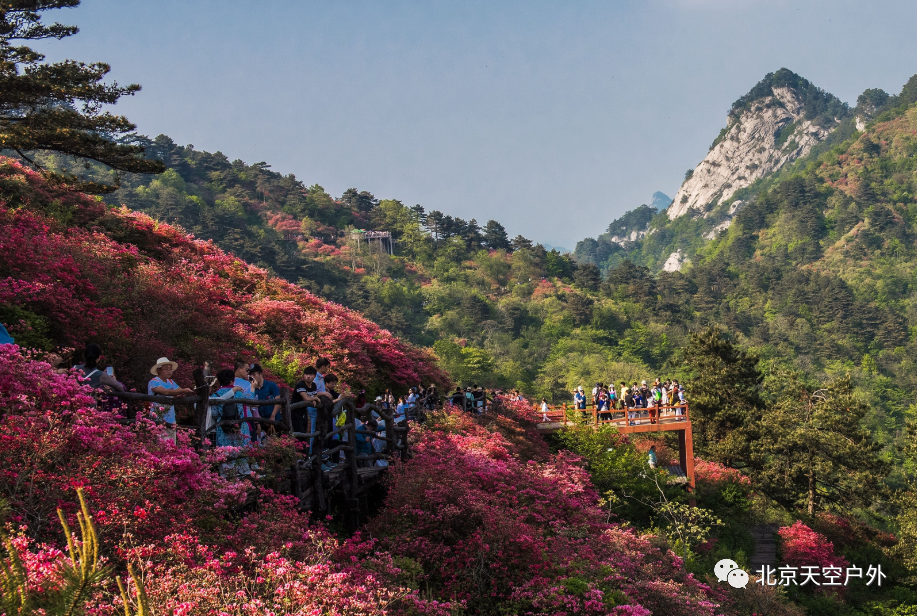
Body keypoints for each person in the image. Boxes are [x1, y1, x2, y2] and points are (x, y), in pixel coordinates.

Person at [209, 369, 250, 476]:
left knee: (225, 450)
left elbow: (214, 413)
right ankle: (243, 472)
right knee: (241, 448)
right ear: (232, 380)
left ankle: (228, 474)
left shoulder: (216, 395)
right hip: (240, 424)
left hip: (223, 426)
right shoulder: (239, 393)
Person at [148, 357, 195, 442]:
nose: (169, 371)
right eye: (166, 369)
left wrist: (182, 392)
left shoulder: (171, 382)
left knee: (171, 443)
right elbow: (165, 392)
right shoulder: (154, 382)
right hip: (158, 418)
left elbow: (179, 390)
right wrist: (182, 391)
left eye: (170, 369)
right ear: (159, 370)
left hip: (171, 418)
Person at [250, 364, 281, 441]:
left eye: (254, 374)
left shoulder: (271, 385)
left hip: (274, 419)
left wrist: (273, 416)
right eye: (251, 375)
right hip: (260, 422)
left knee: (276, 442)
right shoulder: (251, 388)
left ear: (261, 374)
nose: (252, 377)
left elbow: (278, 401)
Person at [293, 366, 321, 448]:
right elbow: (306, 398)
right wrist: (315, 399)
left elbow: (314, 395)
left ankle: (304, 453)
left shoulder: (313, 385)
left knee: (304, 433)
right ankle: (301, 453)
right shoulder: (300, 385)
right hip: (295, 412)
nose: (308, 376)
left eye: (311, 374)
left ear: (314, 376)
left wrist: (314, 399)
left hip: (303, 412)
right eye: (306, 374)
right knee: (300, 434)